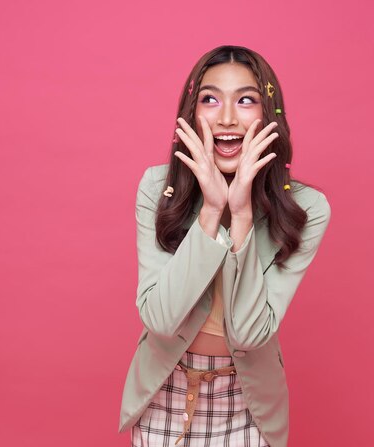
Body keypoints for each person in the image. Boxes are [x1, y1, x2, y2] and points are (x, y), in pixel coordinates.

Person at [119, 45, 331, 447]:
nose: (228, 118)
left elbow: (251, 333)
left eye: (246, 100)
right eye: (210, 99)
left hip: (248, 402)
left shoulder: (307, 209)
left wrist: (243, 216)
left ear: (271, 115)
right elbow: (161, 320)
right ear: (190, 113)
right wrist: (211, 210)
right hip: (166, 387)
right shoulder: (156, 189)